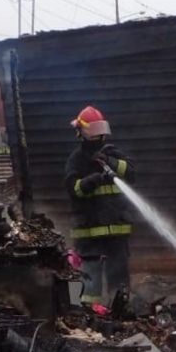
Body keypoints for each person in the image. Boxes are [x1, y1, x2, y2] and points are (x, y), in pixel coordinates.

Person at [64, 105, 136, 307]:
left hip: (117, 230)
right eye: (92, 132)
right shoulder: (76, 160)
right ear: (81, 132)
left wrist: (111, 162)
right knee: (91, 275)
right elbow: (74, 189)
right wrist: (93, 180)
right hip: (89, 231)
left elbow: (132, 174)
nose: (97, 137)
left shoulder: (113, 153)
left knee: (118, 274)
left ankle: (120, 311)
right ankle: (90, 313)